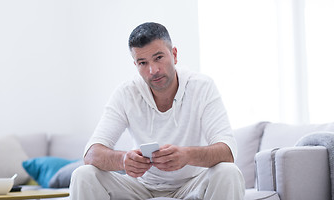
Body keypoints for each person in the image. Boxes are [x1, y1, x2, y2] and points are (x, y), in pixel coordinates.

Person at [70, 22, 245, 200]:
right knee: (83, 175)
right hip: (141, 187)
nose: (153, 70)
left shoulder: (202, 86)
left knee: (228, 171)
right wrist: (123, 160)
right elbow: (91, 154)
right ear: (135, 65)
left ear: (174, 55)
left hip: (193, 184)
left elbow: (227, 151)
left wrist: (187, 155)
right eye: (143, 63)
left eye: (159, 58)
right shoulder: (126, 93)